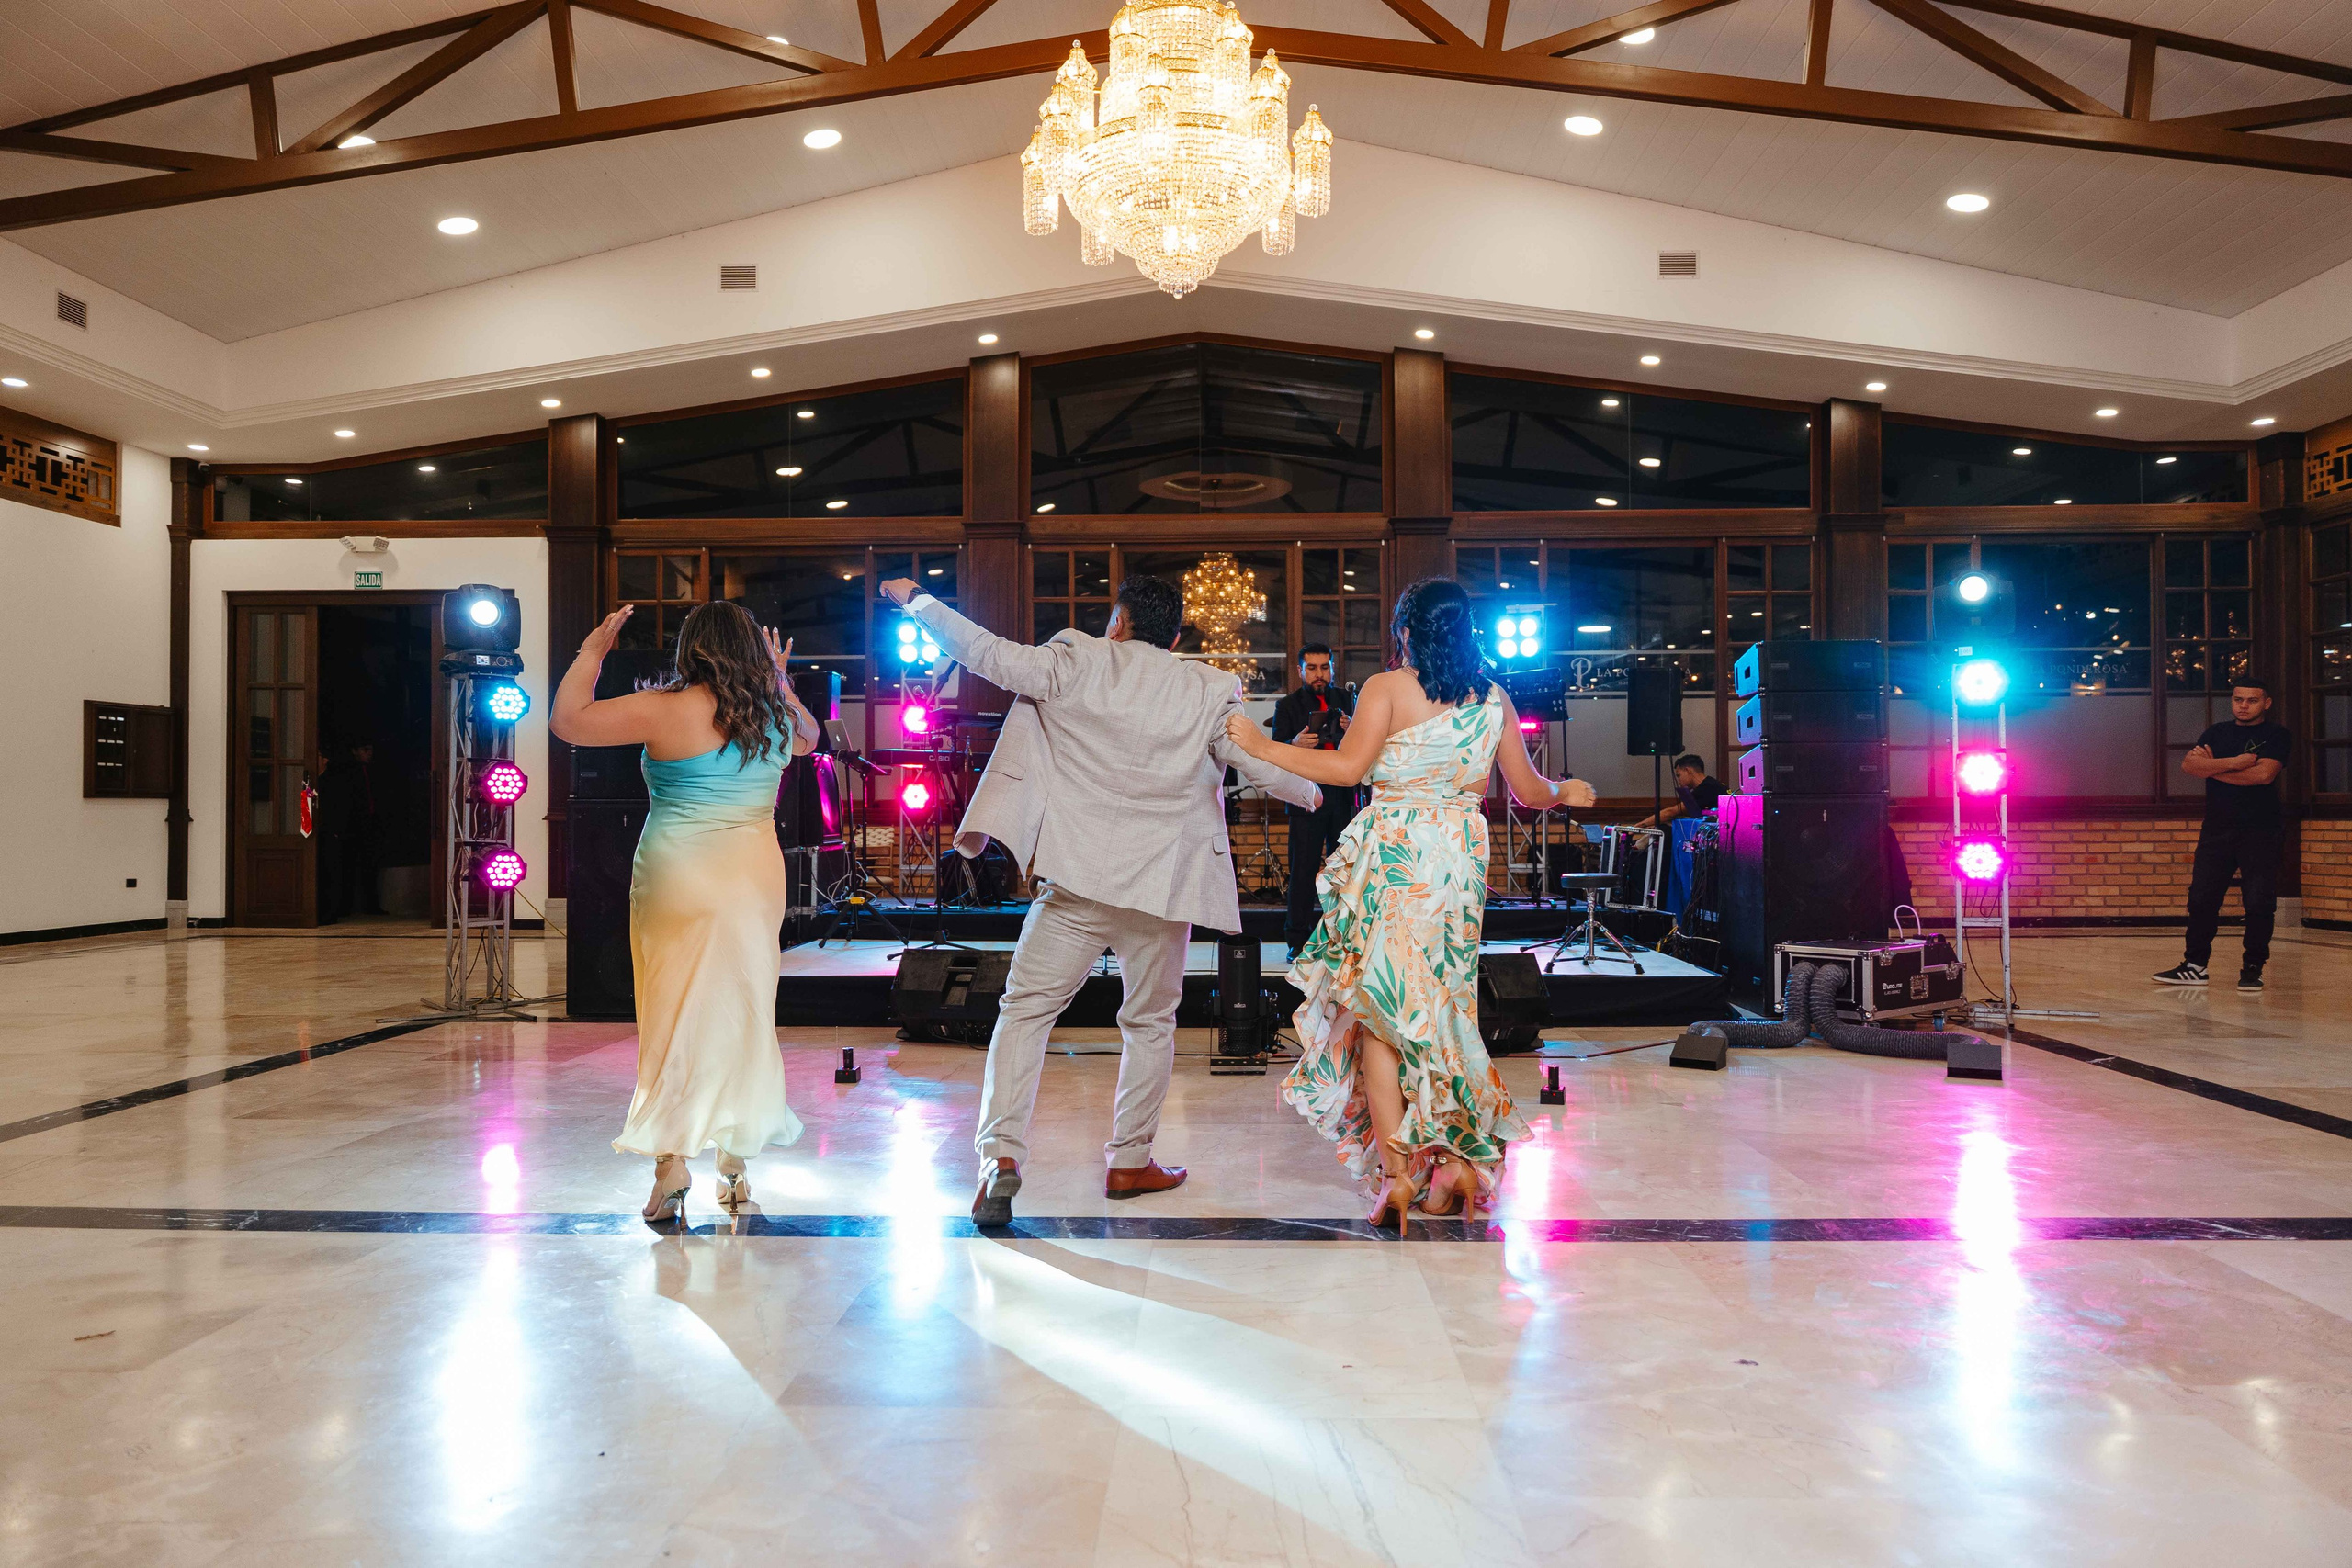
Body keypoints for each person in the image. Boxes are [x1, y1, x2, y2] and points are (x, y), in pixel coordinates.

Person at [879, 572, 1323, 1225]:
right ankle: (1128, 1159)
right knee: (1149, 1024)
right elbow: (1259, 764)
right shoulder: (1205, 687)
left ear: (1115, 624)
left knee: (1025, 1012)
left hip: (1078, 879)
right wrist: (1319, 793)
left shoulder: (1076, 658)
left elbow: (986, 651)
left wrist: (918, 601)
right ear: (1174, 637)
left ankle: (1000, 1155)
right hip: (1161, 890)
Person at [1226, 578, 1598, 1229]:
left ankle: (1398, 1178)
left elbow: (1346, 770)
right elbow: (1531, 791)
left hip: (1397, 859)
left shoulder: (1387, 689)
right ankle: (1452, 1163)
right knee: (1443, 1010)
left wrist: (1256, 747)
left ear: (1405, 631)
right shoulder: (1495, 699)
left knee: (1382, 1013)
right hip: (1456, 865)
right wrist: (1568, 788)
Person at [552, 599, 822, 1222]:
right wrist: (780, 681)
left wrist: (592, 649)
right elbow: (812, 739)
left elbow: (568, 719)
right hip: (752, 877)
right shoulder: (775, 715)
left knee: (672, 1012)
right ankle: (735, 1164)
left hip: (676, 873)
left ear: (691, 649)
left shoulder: (665, 708)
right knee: (745, 1010)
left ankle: (671, 1165)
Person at [2154, 679, 2292, 994]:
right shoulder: (2216, 732)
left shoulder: (2277, 735)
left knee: (2258, 902)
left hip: (2262, 830)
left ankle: (2252, 968)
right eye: (2238, 699)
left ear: (2266, 704)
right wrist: (2235, 763)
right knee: (2202, 899)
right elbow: (2189, 766)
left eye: (2252, 701)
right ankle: (2195, 967)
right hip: (2217, 829)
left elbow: (2262, 775)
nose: (2243, 705)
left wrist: (2211, 767)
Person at [1270, 643, 1363, 957]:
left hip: (1342, 795)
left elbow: (1368, 745)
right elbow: (1275, 751)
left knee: (1344, 871)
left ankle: (1342, 939)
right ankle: (1297, 941)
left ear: (1333, 668)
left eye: (1325, 667)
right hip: (1305, 798)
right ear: (1300, 671)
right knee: (1303, 872)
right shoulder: (1287, 706)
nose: (1319, 674)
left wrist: (1355, 730)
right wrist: (1294, 743)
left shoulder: (1348, 700)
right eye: (1312, 668)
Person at [1634, 754, 1724, 829]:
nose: (1678, 781)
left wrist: (1639, 826)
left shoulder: (1706, 788)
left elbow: (1671, 812)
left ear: (1687, 770)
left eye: (1679, 775)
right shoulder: (1712, 784)